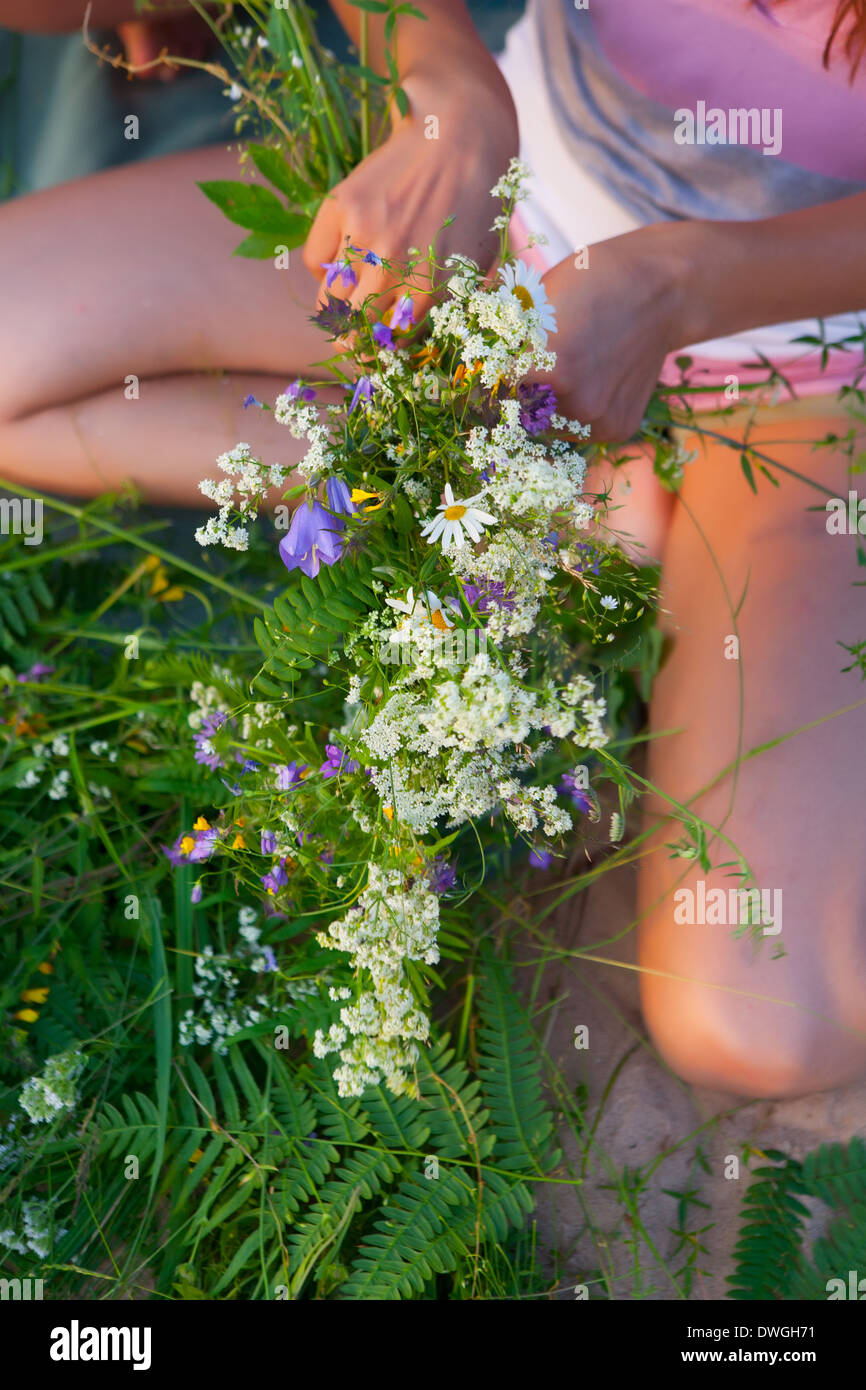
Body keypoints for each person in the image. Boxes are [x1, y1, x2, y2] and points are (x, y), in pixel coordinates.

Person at [2, 0, 865, 1097]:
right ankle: (566, 494)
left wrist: (669, 286)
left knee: (757, 1017)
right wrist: (448, 87)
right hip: (513, 210)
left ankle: (562, 497)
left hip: (806, 372)